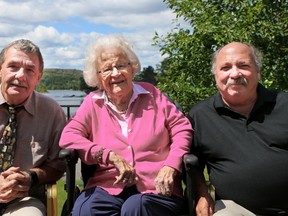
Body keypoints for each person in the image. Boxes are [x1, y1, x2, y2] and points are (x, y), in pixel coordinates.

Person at [59, 35, 193, 216]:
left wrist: (171, 165)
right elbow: (68, 138)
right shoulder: (93, 103)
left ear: (132, 68)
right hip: (108, 185)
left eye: (121, 65)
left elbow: (182, 128)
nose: (115, 73)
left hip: (156, 187)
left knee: (135, 207)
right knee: (86, 210)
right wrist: (107, 155)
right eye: (107, 69)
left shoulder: (152, 94)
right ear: (98, 77)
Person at [187, 42, 288, 215]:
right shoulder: (200, 115)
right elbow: (192, 163)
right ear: (216, 75)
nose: (234, 74)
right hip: (236, 209)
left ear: (258, 72)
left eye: (243, 66)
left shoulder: (284, 104)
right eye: (226, 67)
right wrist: (202, 193)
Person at [0, 39, 67, 215]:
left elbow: (58, 165)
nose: (20, 75)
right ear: (0, 70)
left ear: (38, 77)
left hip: (24, 200)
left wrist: (31, 177)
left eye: (29, 70)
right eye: (13, 66)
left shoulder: (52, 112)